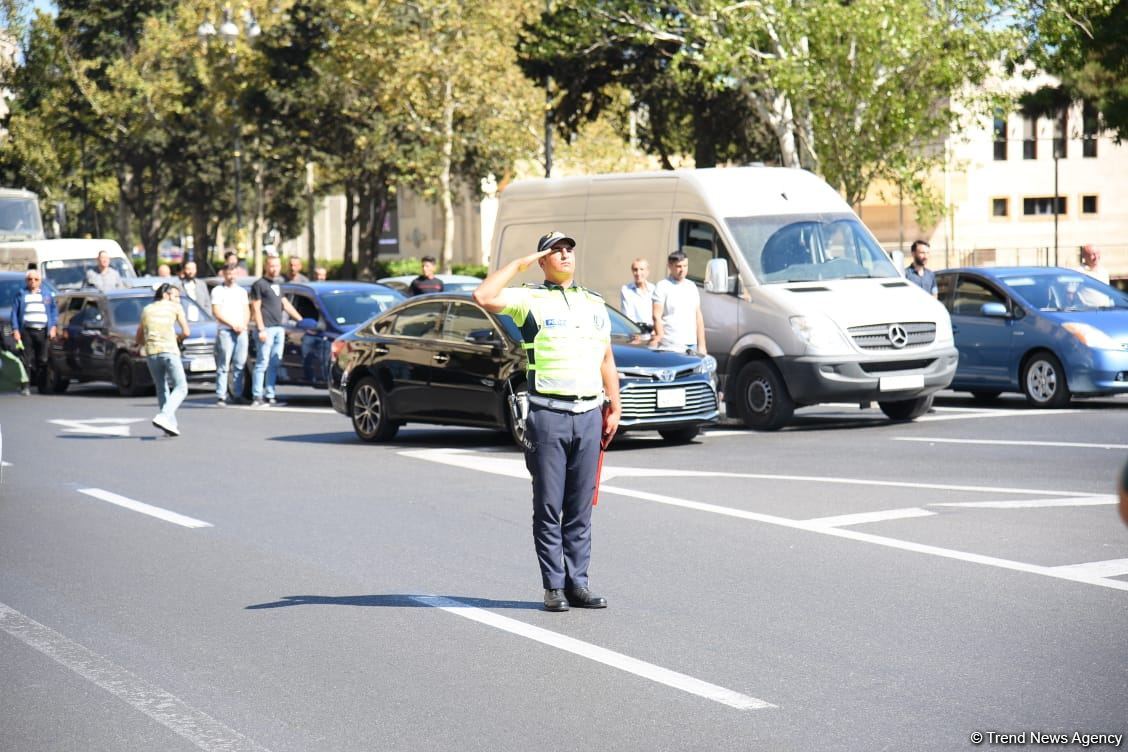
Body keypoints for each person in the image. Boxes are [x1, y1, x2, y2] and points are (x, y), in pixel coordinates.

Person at [473, 230, 621, 613]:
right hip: (548, 415)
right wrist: (521, 262)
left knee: (580, 507)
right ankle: (553, 586)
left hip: (589, 414)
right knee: (549, 504)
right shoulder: (528, 299)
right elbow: (483, 296)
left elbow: (606, 359)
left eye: (569, 248)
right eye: (555, 250)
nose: (565, 254)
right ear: (542, 260)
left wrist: (615, 407)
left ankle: (579, 584)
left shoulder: (593, 302)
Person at [135, 283, 189, 437]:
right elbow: (186, 331)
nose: (178, 300)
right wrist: (178, 338)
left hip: (151, 353)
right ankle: (164, 416)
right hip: (169, 351)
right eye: (176, 296)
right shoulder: (175, 308)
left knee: (161, 387)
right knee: (181, 387)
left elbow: (139, 336)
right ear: (166, 295)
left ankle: (170, 425)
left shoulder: (147, 309)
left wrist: (144, 342)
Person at [250, 253, 302, 407]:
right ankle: (257, 395)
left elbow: (285, 304)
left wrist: (301, 320)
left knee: (274, 362)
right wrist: (260, 329)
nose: (275, 269)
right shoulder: (259, 284)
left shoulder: (278, 284)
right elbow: (256, 308)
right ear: (266, 266)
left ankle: (270, 394)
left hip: (279, 328)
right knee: (262, 363)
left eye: (277, 265)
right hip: (266, 328)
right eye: (272, 265)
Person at [11, 268, 58, 394]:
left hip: (43, 331)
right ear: (26, 281)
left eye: (36, 279)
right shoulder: (21, 294)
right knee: (26, 359)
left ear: (40, 281)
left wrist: (53, 326)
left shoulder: (46, 294)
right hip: (27, 331)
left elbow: (53, 311)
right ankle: (26, 386)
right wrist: (15, 330)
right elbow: (14, 313)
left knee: (43, 359)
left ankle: (43, 386)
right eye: (30, 279)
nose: (32, 282)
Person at [651, 250, 707, 354]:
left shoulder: (691, 286)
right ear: (670, 266)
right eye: (679, 266)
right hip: (670, 344)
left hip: (691, 344)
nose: (682, 270)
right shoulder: (662, 286)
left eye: (685, 266)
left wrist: (702, 346)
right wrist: (662, 339)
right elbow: (656, 316)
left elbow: (698, 316)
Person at [211, 265, 250, 406]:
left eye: (233, 273)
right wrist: (232, 324)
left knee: (239, 363)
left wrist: (243, 324)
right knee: (224, 364)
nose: (231, 276)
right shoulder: (218, 291)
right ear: (224, 274)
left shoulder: (241, 292)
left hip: (241, 331)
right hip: (226, 330)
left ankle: (237, 394)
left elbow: (247, 310)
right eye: (228, 274)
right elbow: (216, 312)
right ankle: (221, 395)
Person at [619, 257, 654, 330]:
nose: (638, 273)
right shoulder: (626, 290)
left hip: (653, 332)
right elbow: (628, 315)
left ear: (647, 271)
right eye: (635, 270)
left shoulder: (654, 289)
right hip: (635, 332)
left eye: (641, 269)